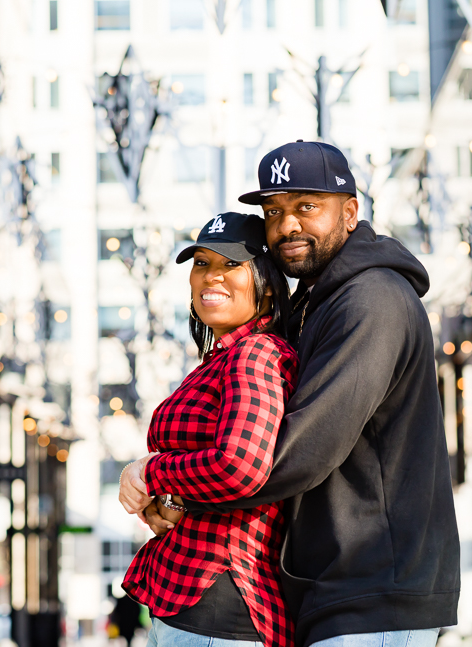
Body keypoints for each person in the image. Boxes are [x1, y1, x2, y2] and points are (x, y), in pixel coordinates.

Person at [130, 141, 461, 647]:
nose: (287, 225)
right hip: (329, 586)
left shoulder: (371, 299)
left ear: (350, 212)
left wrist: (169, 485)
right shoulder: (316, 303)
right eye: (273, 211)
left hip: (374, 588)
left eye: (307, 206)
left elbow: (292, 453)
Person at [118, 212, 299, 647]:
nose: (210, 276)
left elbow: (239, 467)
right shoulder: (222, 358)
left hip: (222, 598)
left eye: (230, 264)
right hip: (195, 595)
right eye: (201, 263)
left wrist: (150, 473)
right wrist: (168, 500)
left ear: (268, 283)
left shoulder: (256, 354)